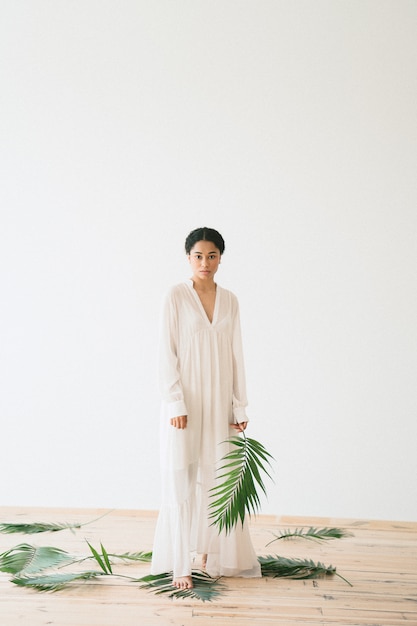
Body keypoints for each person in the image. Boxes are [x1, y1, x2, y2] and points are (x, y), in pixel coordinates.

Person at [151, 227, 261, 590]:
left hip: (219, 404)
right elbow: (166, 354)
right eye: (198, 256)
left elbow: (237, 355)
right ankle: (180, 562)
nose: (205, 262)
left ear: (220, 258)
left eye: (212, 256)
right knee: (182, 478)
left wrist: (238, 406)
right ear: (188, 258)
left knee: (219, 479)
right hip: (186, 403)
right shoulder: (175, 297)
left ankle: (211, 555)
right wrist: (175, 401)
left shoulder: (230, 300)